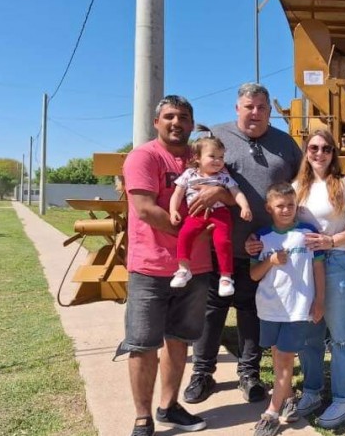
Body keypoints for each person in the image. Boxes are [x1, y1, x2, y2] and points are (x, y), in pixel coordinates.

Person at [183, 83, 303, 405]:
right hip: (218, 244)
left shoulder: (286, 144)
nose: (255, 113)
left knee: (252, 311)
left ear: (269, 111)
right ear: (237, 108)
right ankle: (202, 373)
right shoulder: (217, 136)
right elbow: (193, 177)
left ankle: (249, 373)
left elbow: (301, 185)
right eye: (249, 106)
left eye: (261, 107)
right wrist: (216, 194)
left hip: (262, 250)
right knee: (212, 310)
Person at [247, 129, 345, 429]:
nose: (320, 153)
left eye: (326, 148)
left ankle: (343, 399)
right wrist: (254, 241)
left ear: (333, 153)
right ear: (306, 152)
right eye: (314, 148)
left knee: (342, 336)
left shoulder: (344, 184)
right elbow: (280, 225)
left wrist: (332, 240)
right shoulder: (296, 188)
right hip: (302, 268)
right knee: (309, 336)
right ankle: (313, 391)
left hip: (337, 262)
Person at [119, 95, 210, 436]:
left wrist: (219, 195)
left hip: (196, 268)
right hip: (151, 268)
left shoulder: (200, 158)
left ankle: (168, 406)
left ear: (192, 124)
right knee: (142, 344)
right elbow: (145, 208)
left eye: (183, 117)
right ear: (156, 122)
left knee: (180, 340)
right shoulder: (144, 156)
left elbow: (222, 190)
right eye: (169, 116)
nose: (176, 122)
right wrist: (190, 234)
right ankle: (143, 417)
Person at [249, 183, 325, 436]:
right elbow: (254, 275)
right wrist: (271, 261)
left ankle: (271, 413)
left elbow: (318, 268)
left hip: (297, 308)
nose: (286, 210)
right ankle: (289, 398)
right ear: (269, 208)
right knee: (278, 357)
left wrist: (320, 300)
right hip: (269, 308)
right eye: (280, 205)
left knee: (284, 359)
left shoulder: (308, 232)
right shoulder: (260, 237)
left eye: (291, 205)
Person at [169, 134, 252, 297]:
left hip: (220, 214)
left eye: (221, 157)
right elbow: (177, 194)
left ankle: (226, 277)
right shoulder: (189, 174)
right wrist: (173, 210)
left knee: (223, 241)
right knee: (185, 234)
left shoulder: (223, 176)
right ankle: (183, 269)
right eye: (212, 156)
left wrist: (245, 206)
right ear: (197, 158)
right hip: (195, 213)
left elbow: (236, 192)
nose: (218, 161)